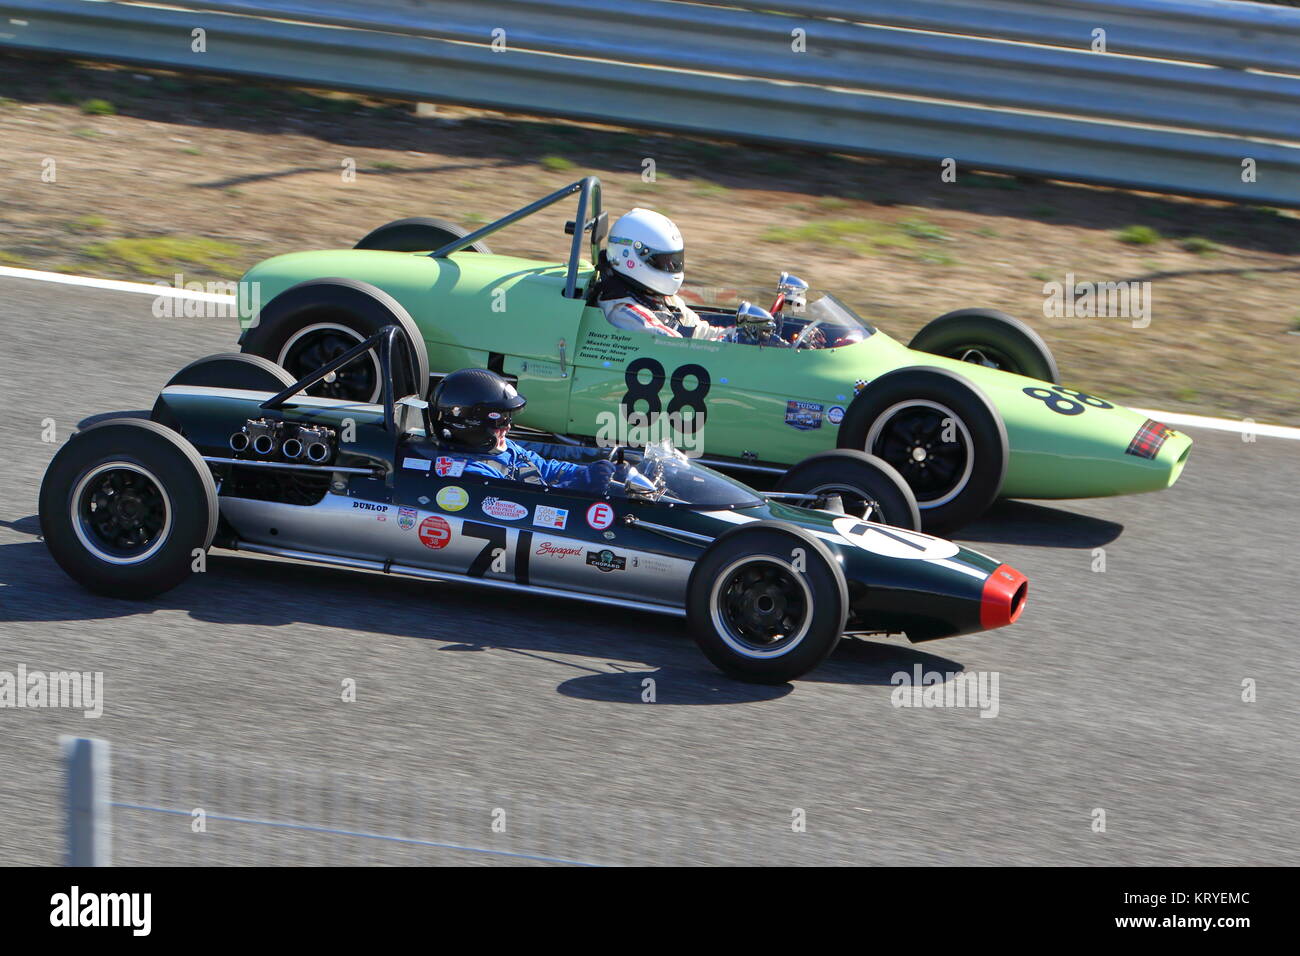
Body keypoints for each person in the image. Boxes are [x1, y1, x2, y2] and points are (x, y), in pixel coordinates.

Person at [429, 368, 615, 491]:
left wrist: (592, 472)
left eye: (508, 418)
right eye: (500, 421)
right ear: (471, 426)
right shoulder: (467, 473)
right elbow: (519, 502)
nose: (508, 426)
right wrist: (583, 484)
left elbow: (546, 468)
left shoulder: (502, 447)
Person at [596, 208, 727, 340]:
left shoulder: (663, 298)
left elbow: (700, 332)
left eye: (673, 260)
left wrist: (735, 335)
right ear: (628, 257)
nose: (670, 266)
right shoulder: (623, 311)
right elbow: (676, 344)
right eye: (662, 260)